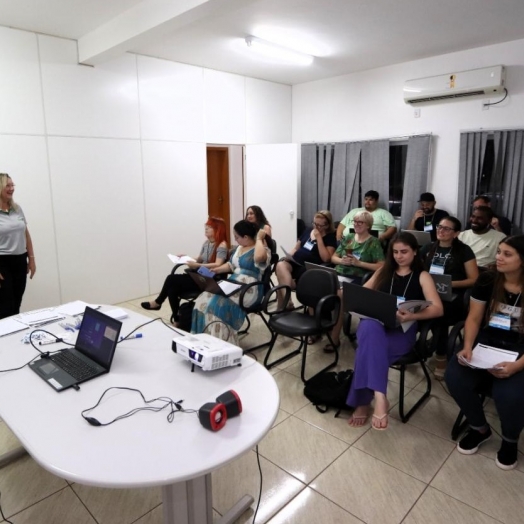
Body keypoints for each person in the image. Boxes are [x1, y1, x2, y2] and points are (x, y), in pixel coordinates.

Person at [346, 232, 443, 430]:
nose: (399, 256)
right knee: (369, 329)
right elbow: (362, 294)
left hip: (402, 330)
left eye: (404, 252)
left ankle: (363, 403)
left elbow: (438, 308)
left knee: (367, 351)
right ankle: (380, 396)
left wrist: (412, 316)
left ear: (415, 252)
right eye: (395, 252)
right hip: (377, 325)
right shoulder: (384, 271)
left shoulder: (422, 276)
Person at [445, 235, 524, 470]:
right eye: (498, 251)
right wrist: (467, 346)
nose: (498, 257)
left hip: (520, 349)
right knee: (454, 377)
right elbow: (474, 317)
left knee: (509, 394)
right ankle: (480, 428)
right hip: (488, 341)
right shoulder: (488, 279)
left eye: (507, 254)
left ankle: (510, 440)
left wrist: (517, 366)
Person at [191, 220, 270, 345]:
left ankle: (221, 344)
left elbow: (259, 258)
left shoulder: (260, 249)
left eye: (237, 237)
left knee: (216, 306)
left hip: (249, 288)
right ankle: (203, 340)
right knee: (203, 299)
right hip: (232, 283)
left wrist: (259, 239)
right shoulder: (239, 248)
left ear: (246, 237)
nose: (235, 240)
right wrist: (216, 270)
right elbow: (231, 265)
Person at [420, 217, 479, 378]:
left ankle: (441, 357)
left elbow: (474, 279)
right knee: (410, 304)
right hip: (429, 292)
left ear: (456, 233)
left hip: (454, 296)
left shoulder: (464, 250)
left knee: (439, 314)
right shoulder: (428, 248)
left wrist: (449, 284)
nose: (441, 230)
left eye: (447, 228)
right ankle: (418, 345)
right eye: (439, 226)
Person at [141, 217, 228, 323]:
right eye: (206, 227)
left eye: (210, 227)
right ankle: (177, 319)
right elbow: (200, 258)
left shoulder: (222, 245)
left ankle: (158, 302)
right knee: (172, 288)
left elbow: (218, 264)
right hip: (199, 274)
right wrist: (186, 258)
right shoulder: (207, 243)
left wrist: (197, 265)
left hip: (208, 279)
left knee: (171, 279)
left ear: (218, 229)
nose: (206, 229)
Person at [326, 211, 385, 351]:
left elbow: (382, 266)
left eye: (360, 222)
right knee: (318, 286)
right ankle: (319, 326)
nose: (356, 224)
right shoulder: (348, 237)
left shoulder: (373, 242)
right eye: (355, 221)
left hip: (358, 278)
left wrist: (360, 264)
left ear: (368, 225)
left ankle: (335, 337)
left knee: (340, 295)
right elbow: (333, 258)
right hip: (340, 272)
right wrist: (342, 260)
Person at [275, 210, 337, 309]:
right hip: (295, 262)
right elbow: (296, 248)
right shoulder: (308, 230)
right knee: (280, 264)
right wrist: (289, 255)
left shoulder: (330, 237)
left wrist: (319, 238)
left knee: (281, 283)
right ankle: (288, 300)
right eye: (315, 224)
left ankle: (284, 305)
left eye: (320, 225)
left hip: (308, 268)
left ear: (327, 226)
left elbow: (326, 258)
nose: (316, 227)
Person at [0, 173, 36, 319]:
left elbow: (26, 234)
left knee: (16, 303)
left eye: (12, 185)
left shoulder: (17, 209)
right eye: (7, 185)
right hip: (2, 262)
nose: (11, 188)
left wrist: (31, 259)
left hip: (20, 261)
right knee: (5, 306)